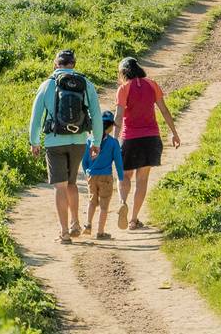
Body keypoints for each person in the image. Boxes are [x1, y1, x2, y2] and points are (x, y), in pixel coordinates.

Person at [28, 47, 99, 243]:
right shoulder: (86, 84)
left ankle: (64, 232)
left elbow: (36, 118)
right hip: (78, 141)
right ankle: (75, 222)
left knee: (59, 187)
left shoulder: (47, 85)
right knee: (72, 183)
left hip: (54, 142)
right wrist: (97, 141)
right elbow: (96, 115)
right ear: (73, 65)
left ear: (55, 64)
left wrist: (34, 142)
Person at [115, 54, 179, 231]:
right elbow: (164, 110)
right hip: (151, 138)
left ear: (123, 73)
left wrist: (113, 139)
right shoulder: (152, 84)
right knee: (142, 180)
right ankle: (134, 220)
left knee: (125, 176)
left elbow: (118, 117)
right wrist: (174, 133)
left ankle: (122, 202)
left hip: (130, 139)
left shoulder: (124, 89)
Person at [82, 110, 123, 239]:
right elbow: (118, 162)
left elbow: (84, 162)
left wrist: (87, 172)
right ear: (110, 126)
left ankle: (88, 225)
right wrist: (121, 177)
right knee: (104, 205)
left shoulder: (89, 141)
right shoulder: (113, 143)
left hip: (91, 176)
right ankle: (100, 232)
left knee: (92, 201)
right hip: (106, 177)